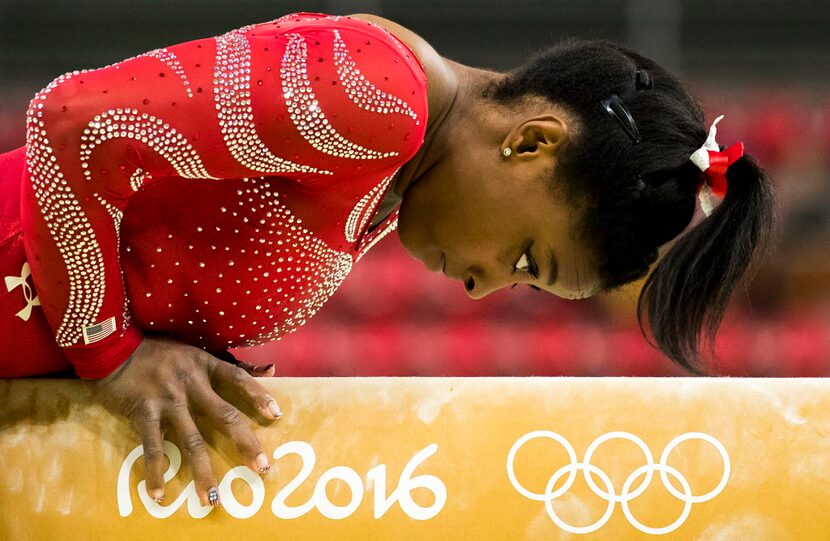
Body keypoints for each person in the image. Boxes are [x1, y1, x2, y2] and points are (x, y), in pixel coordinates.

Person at [0, 12, 773, 507]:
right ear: (532, 142)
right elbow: (76, 120)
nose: (481, 287)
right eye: (526, 256)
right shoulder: (377, 96)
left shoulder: (398, 183)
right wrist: (108, 353)